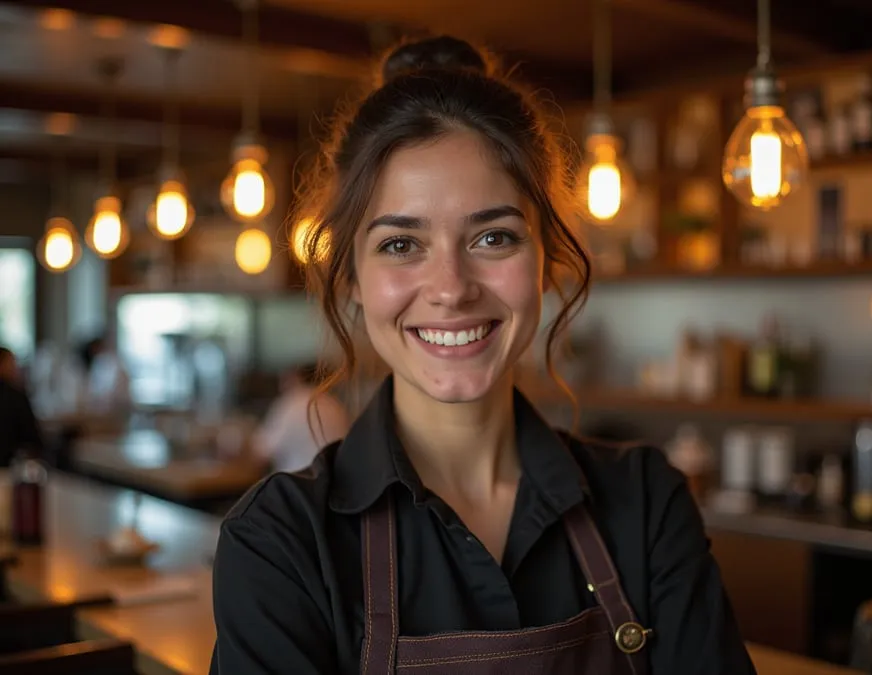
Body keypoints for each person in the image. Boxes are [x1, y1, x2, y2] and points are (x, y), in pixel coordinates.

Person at [210, 35, 756, 674]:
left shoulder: (646, 505)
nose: (451, 289)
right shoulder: (280, 541)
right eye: (400, 245)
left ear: (546, 260)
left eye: (493, 237)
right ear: (351, 277)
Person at [251, 363, 350, 473]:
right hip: (335, 479)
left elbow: (262, 453)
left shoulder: (292, 403)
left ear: (296, 377)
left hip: (300, 479)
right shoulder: (334, 404)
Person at [0, 347, 44, 466]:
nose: (15, 368)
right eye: (11, 363)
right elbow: (31, 436)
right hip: (10, 464)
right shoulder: (15, 396)